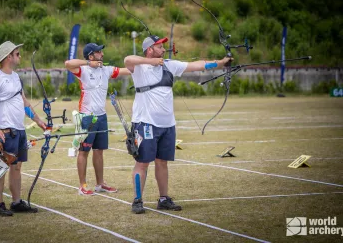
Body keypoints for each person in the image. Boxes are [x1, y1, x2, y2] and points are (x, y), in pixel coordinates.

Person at [124, 35, 232, 214]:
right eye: (159, 46)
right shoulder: (139, 67)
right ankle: (137, 200)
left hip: (167, 124)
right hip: (146, 123)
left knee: (162, 162)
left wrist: (220, 63)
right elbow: (128, 59)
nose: (163, 49)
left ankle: (164, 199)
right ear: (150, 49)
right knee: (142, 163)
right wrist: (151, 62)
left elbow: (197, 65)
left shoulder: (169, 65)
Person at [0, 41, 46, 216]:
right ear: (8, 57)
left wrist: (38, 120)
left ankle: (16, 202)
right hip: (5, 131)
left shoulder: (15, 76)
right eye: (17, 54)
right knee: (0, 167)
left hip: (19, 130)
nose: (19, 56)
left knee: (17, 167)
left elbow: (24, 102)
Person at [65, 43, 131, 195]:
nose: (102, 54)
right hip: (87, 117)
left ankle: (100, 183)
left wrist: (145, 67)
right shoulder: (83, 70)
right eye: (98, 52)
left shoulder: (106, 70)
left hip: (102, 116)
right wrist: (88, 63)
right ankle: (82, 185)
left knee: (99, 151)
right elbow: (68, 64)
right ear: (90, 56)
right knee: (83, 151)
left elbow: (125, 70)